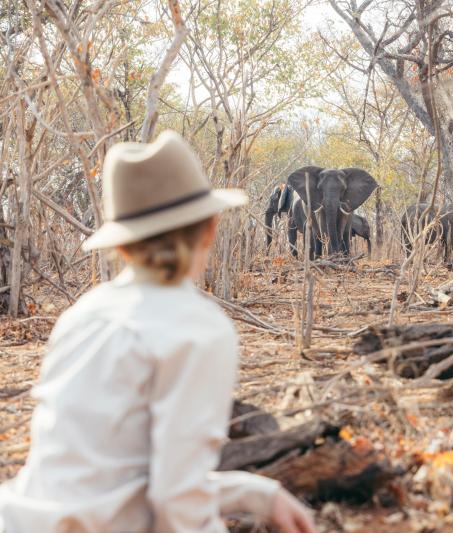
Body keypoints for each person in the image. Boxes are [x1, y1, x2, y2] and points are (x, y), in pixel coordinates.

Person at [0, 131, 316, 533]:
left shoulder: (82, 315)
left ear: (122, 245)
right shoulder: (199, 328)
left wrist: (255, 494)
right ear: (210, 228)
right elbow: (177, 505)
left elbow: (106, 481)